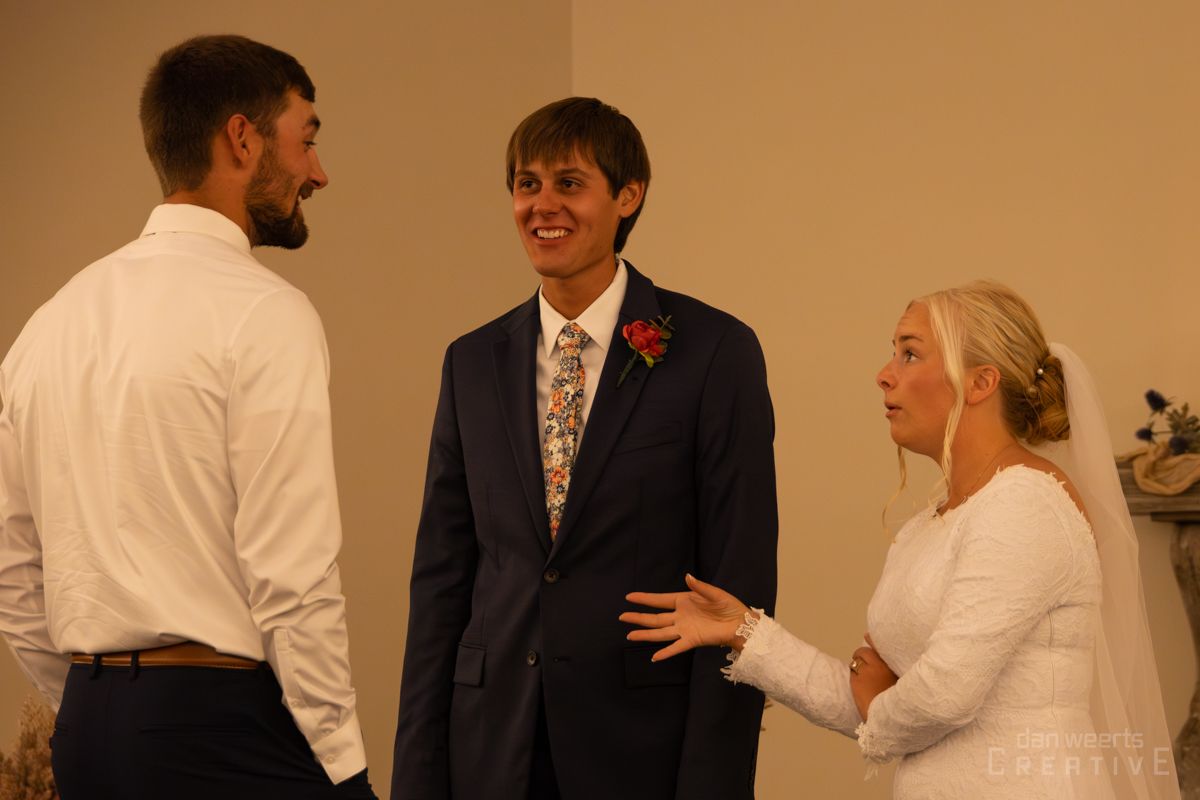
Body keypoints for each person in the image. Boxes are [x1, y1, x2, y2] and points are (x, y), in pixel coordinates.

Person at [622, 281, 1180, 799]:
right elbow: (874, 699)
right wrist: (742, 630)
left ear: (982, 381)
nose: (884, 374)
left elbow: (938, 695)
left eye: (910, 353)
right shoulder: (933, 522)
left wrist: (879, 703)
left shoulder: (1025, 503)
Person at [0, 35, 375, 799]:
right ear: (242, 137)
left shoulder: (48, 325)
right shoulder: (267, 313)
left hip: (91, 739)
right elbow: (293, 575)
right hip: (219, 732)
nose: (318, 173)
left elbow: (13, 576)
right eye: (305, 141)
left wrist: (91, 705)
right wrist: (345, 768)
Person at [391, 97, 778, 800]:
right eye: (526, 183)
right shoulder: (471, 362)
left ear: (628, 196)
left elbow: (740, 584)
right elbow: (442, 583)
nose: (543, 205)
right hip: (491, 748)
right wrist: (418, 777)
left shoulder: (715, 351)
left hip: (642, 752)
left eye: (568, 183)